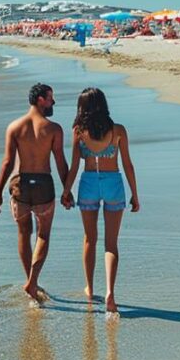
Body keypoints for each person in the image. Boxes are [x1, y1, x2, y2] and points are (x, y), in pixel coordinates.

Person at [61, 88, 139, 312]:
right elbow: (128, 164)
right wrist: (135, 193)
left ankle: (90, 287)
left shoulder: (78, 131)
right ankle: (110, 293)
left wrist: (66, 191)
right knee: (111, 243)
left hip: (88, 184)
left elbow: (75, 166)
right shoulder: (118, 131)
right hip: (113, 182)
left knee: (89, 239)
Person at [0, 83, 71, 302]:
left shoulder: (15, 127)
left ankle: (31, 281)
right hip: (43, 185)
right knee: (43, 235)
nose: (53, 103)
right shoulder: (54, 129)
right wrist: (67, 190)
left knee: (23, 234)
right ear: (40, 100)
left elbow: (8, 163)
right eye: (50, 99)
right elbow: (60, 163)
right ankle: (33, 281)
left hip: (20, 183)